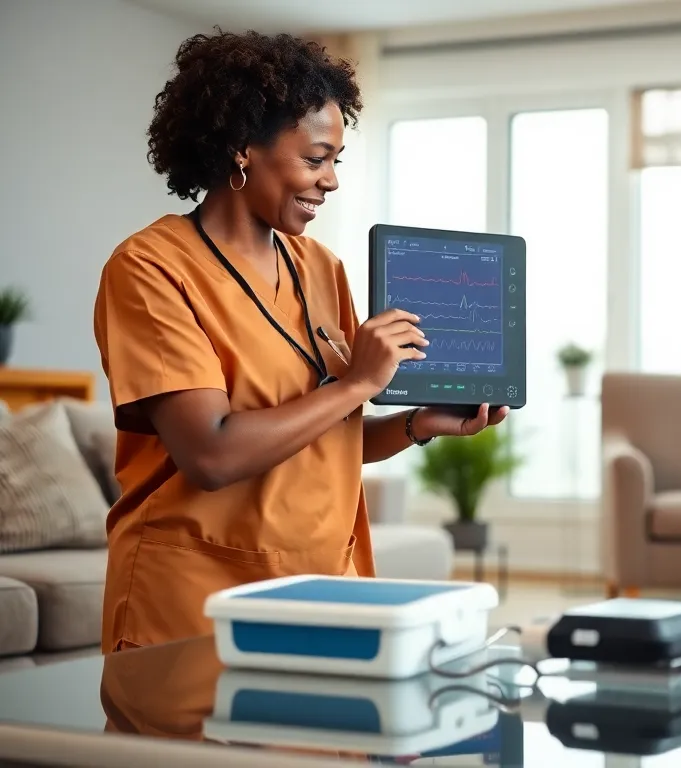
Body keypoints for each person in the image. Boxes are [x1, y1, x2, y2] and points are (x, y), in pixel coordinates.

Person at [92, 29, 507, 654]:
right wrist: (360, 383)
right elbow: (212, 455)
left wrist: (417, 424)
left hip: (326, 587)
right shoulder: (150, 268)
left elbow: (327, 439)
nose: (332, 180)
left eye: (337, 160)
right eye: (315, 159)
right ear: (240, 150)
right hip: (198, 598)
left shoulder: (322, 268)